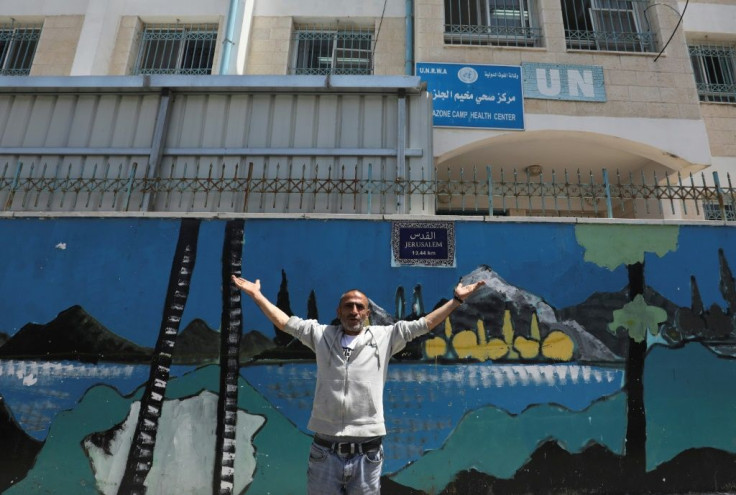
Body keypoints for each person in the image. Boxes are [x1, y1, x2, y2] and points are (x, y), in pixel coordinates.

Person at [231, 275, 485, 495]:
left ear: (367, 313)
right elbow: (285, 323)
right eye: (348, 306)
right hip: (325, 452)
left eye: (359, 307)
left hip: (367, 453)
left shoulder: (385, 337)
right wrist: (256, 295)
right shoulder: (321, 336)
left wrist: (457, 301)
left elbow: (424, 325)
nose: (354, 311)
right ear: (339, 311)